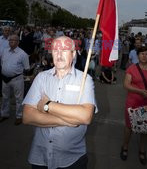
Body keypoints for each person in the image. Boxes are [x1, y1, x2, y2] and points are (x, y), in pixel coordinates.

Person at [22, 36, 97, 169]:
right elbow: (27, 117)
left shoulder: (85, 80)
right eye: (55, 50)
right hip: (40, 156)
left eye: (64, 50)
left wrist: (47, 105)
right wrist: (69, 120)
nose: (59, 54)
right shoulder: (41, 78)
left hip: (72, 159)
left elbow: (85, 116)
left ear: (73, 54)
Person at [120, 46, 147, 165]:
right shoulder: (132, 68)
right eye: (142, 54)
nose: (144, 56)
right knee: (129, 126)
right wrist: (140, 92)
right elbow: (126, 85)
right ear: (137, 55)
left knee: (146, 128)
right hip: (133, 102)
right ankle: (125, 147)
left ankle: (142, 151)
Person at [0, 34, 30, 125]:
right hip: (5, 79)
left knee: (18, 99)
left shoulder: (22, 54)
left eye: (13, 40)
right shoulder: (4, 51)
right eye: (10, 40)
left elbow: (27, 68)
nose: (11, 42)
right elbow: (2, 62)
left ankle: (19, 116)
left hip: (16, 79)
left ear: (18, 42)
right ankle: (4, 114)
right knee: (5, 97)